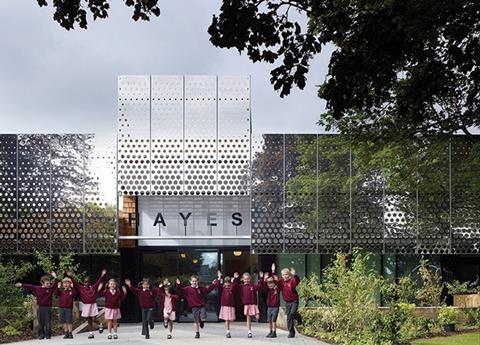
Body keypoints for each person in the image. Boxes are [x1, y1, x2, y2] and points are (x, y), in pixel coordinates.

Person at [15, 272, 58, 339]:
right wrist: (21, 284)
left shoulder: (50, 289)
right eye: (47, 283)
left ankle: (48, 335)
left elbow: (56, 284)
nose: (49, 284)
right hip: (40, 308)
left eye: (49, 283)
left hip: (47, 308)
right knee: (41, 323)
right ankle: (41, 335)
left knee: (48, 323)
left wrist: (55, 276)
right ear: (42, 283)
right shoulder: (38, 288)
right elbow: (29, 286)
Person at [66, 269, 106, 339]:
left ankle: (100, 324)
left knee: (93, 319)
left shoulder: (93, 287)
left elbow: (98, 282)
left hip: (93, 305)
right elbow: (75, 283)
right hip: (86, 305)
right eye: (85, 282)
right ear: (83, 282)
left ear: (89, 282)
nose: (86, 283)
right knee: (89, 320)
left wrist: (102, 275)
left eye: (87, 282)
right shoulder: (81, 288)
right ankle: (91, 333)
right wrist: (71, 276)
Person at [272, 263, 300, 338]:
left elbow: (297, 281)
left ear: (289, 275)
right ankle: (291, 332)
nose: (285, 276)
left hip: (294, 301)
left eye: (286, 274)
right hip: (287, 302)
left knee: (293, 313)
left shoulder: (292, 281)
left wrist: (295, 275)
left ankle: (298, 317)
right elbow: (275, 281)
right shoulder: (281, 282)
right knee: (289, 317)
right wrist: (273, 271)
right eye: (283, 275)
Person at [213, 270, 238, 338]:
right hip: (225, 306)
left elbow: (234, 286)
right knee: (226, 319)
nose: (227, 283)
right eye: (226, 282)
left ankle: (228, 330)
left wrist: (235, 279)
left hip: (231, 305)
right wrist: (219, 277)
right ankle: (228, 332)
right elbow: (218, 285)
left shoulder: (231, 288)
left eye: (228, 282)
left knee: (230, 320)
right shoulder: (222, 288)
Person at [238, 271, 262, 338]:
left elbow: (260, 286)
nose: (246, 280)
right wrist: (236, 279)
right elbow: (235, 286)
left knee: (257, 317)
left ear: (250, 279)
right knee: (248, 318)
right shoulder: (241, 286)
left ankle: (255, 328)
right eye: (245, 279)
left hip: (253, 304)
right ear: (243, 279)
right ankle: (249, 332)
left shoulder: (253, 286)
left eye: (248, 279)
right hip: (247, 304)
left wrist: (261, 278)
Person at [259, 272, 280, 338]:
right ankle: (270, 331)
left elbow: (277, 282)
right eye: (269, 284)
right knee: (269, 320)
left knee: (274, 320)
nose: (270, 285)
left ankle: (274, 332)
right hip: (269, 307)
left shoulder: (276, 288)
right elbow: (263, 286)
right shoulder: (267, 290)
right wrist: (262, 278)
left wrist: (273, 272)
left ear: (274, 283)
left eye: (272, 283)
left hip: (275, 307)